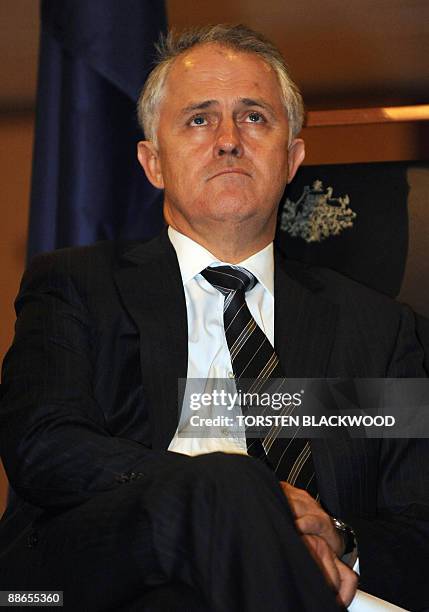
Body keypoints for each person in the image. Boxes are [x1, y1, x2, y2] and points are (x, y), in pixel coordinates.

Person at [0, 24, 428, 612]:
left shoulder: (376, 329)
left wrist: (342, 542)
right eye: (199, 119)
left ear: (292, 156)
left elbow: (419, 524)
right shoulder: (77, 286)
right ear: (153, 163)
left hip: (331, 596)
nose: (228, 140)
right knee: (231, 484)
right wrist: (236, 501)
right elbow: (45, 449)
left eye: (254, 117)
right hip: (94, 589)